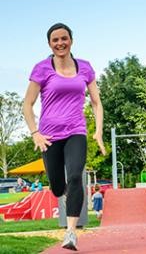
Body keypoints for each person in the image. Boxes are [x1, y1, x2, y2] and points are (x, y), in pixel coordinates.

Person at [23, 23, 106, 251]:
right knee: (58, 187)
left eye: (64, 38)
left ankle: (70, 232)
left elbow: (97, 103)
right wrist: (35, 133)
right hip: (48, 136)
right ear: (49, 44)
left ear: (71, 40)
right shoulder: (41, 69)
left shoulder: (85, 68)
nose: (60, 43)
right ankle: (65, 193)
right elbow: (27, 105)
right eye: (55, 40)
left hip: (76, 131)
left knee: (76, 176)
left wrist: (98, 131)